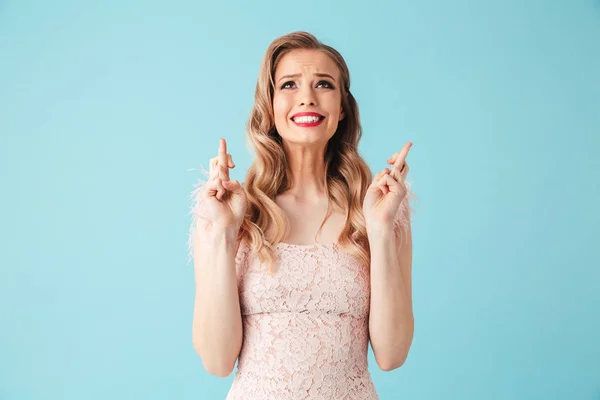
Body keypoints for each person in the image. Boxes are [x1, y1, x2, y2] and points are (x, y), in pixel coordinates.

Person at [188, 31, 417, 399]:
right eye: (289, 84)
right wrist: (225, 234)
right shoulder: (227, 212)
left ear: (342, 108)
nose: (307, 97)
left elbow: (392, 354)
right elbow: (217, 361)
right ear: (271, 105)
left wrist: (380, 228)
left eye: (323, 84)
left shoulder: (378, 212)